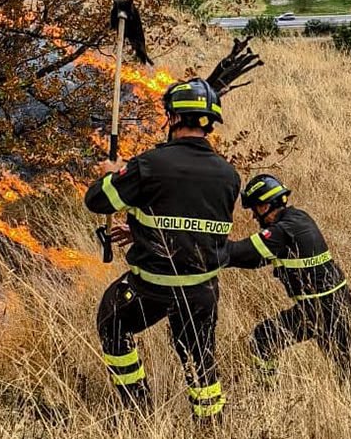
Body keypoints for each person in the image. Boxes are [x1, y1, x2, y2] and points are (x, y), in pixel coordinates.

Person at [84, 78, 240, 423]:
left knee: (112, 323)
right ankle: (210, 423)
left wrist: (113, 175)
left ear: (172, 118)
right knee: (198, 356)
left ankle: (137, 407)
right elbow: (190, 226)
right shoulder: (229, 175)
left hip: (151, 288)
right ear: (210, 123)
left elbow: (97, 200)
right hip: (202, 289)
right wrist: (141, 231)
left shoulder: (151, 164)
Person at [228, 174, 351, 387]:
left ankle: (265, 390)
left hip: (318, 309)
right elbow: (258, 260)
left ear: (267, 205)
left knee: (263, 338)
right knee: (344, 363)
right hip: (340, 300)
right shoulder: (299, 218)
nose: (254, 217)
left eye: (255, 209)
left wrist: (207, 248)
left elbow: (243, 253)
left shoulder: (283, 230)